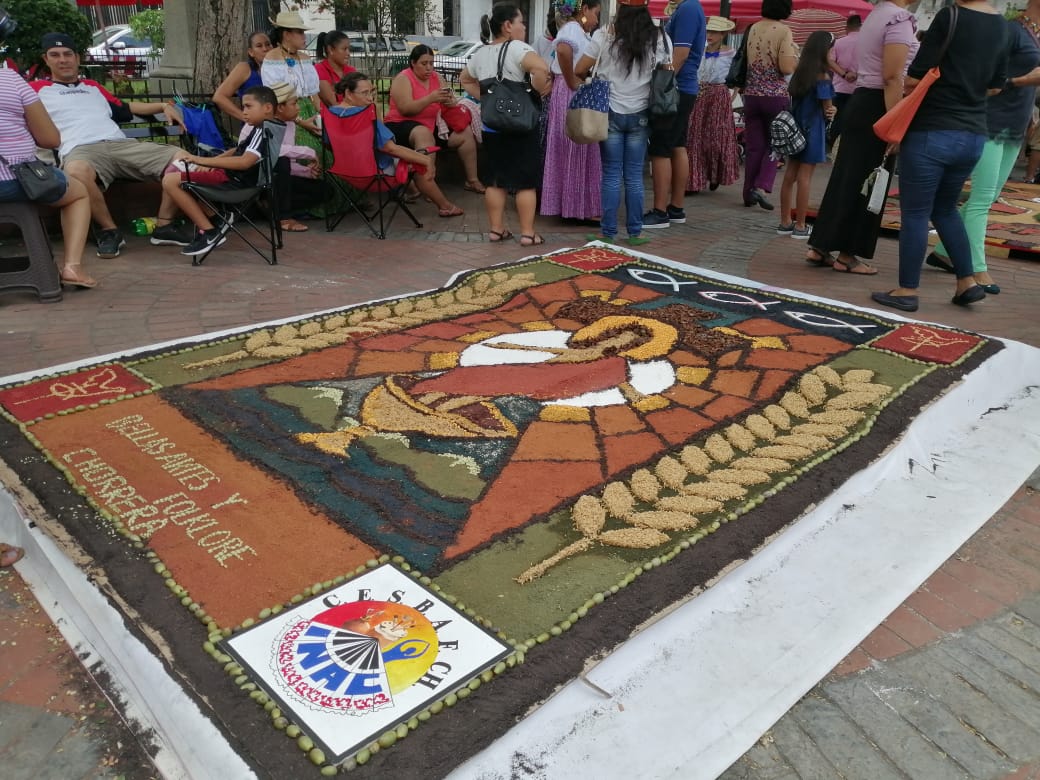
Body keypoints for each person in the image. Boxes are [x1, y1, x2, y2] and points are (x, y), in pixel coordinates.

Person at [871, 0, 1008, 313]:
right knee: (946, 208)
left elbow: (915, 77)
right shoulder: (1002, 25)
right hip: (973, 133)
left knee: (916, 212)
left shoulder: (951, 15)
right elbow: (996, 87)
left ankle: (907, 289)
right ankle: (967, 282)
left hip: (933, 129)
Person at [30, 32, 188, 258]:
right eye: (54, 55)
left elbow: (126, 107)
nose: (62, 60)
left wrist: (163, 105)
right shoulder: (35, 90)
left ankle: (164, 226)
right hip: (80, 149)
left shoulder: (93, 87)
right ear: (46, 60)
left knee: (181, 158)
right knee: (76, 171)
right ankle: (109, 231)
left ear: (77, 57)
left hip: (118, 144)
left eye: (67, 54)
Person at [926, 8, 1040, 294]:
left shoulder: (1034, 35)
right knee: (982, 198)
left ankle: (943, 250)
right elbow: (988, 77)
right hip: (991, 121)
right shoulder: (1013, 31)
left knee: (989, 197)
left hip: (1016, 123)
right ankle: (976, 268)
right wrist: (1022, 81)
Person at [805, 0, 919, 275]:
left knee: (847, 177)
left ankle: (821, 245)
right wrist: (895, 124)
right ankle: (848, 253)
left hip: (863, 99)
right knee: (871, 181)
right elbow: (892, 77)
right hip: (880, 102)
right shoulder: (898, 19)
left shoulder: (876, 15)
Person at [575, 0, 669, 245]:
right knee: (634, 176)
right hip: (642, 113)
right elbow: (668, 70)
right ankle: (635, 232)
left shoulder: (605, 35)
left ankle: (608, 232)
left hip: (610, 112)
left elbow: (580, 68)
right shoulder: (659, 37)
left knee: (611, 174)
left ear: (621, 10)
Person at [460, 3, 552, 246]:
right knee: (525, 182)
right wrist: (536, 91)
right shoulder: (518, 48)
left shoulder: (481, 53)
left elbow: (465, 78)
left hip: (493, 125)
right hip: (521, 124)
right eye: (521, 22)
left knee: (495, 180)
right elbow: (541, 67)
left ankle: (496, 229)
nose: (523, 26)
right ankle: (527, 233)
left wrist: (487, 99)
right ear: (508, 26)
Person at [0, 55, 95, 288]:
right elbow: (50, 139)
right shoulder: (11, 81)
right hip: (14, 180)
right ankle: (73, 267)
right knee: (79, 193)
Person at [160, 86, 279, 257]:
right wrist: (213, 164)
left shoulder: (263, 130)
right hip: (231, 176)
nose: (243, 111)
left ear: (267, 108)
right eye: (243, 107)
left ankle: (209, 232)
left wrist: (202, 160)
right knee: (178, 169)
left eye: (248, 106)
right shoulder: (263, 126)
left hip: (234, 182)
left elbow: (245, 162)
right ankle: (219, 217)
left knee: (170, 181)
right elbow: (238, 150)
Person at [384, 44, 482, 216]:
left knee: (464, 133)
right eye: (424, 63)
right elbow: (406, 109)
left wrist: (450, 101)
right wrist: (430, 98)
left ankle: (472, 180)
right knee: (424, 134)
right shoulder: (403, 78)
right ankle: (429, 185)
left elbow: (448, 100)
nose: (429, 67)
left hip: (432, 124)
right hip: (402, 125)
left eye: (431, 62)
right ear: (413, 63)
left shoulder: (437, 77)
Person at [540, 0, 603, 222]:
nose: (596, 20)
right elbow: (563, 50)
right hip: (570, 93)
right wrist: (570, 80)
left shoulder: (577, 30)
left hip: (571, 92)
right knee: (575, 145)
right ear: (584, 10)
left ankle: (575, 206)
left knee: (577, 146)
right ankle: (576, 208)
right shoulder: (572, 29)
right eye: (596, 14)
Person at [643, 0, 704, 228]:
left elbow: (681, 53)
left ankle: (660, 211)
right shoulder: (690, 8)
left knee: (661, 148)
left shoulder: (688, 8)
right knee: (677, 145)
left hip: (676, 88)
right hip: (684, 87)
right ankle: (675, 207)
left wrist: (664, 84)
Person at [738, 0, 797, 212]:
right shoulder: (783, 30)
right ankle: (762, 187)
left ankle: (747, 192)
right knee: (776, 144)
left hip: (751, 94)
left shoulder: (753, 28)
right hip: (774, 96)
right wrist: (796, 58)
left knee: (755, 146)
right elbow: (786, 66)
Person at [777, 31, 836, 240]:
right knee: (805, 178)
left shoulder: (799, 71)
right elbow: (827, 108)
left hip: (795, 128)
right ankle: (801, 226)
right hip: (813, 129)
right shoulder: (823, 75)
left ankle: (785, 222)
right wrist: (833, 110)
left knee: (790, 176)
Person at [330, 72, 442, 181]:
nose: (370, 99)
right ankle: (442, 200)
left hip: (343, 171)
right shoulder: (365, 120)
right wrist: (426, 160)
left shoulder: (330, 115)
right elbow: (391, 149)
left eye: (371, 93)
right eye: (365, 93)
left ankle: (410, 192)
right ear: (349, 94)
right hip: (374, 173)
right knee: (417, 165)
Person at [254, 81, 323, 232]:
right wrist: (309, 152)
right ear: (279, 107)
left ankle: (268, 207)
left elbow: (289, 161)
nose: (298, 107)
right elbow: (275, 151)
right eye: (294, 103)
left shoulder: (290, 124)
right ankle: (282, 217)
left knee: (324, 190)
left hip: (278, 177)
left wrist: (306, 171)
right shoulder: (260, 122)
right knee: (282, 160)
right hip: (257, 175)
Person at [685, 15, 740, 195]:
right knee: (695, 136)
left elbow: (737, 75)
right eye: (709, 31)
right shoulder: (699, 50)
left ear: (723, 34)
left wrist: (733, 94)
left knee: (716, 138)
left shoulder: (731, 53)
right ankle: (694, 180)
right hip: (699, 93)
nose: (710, 35)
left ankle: (716, 174)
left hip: (718, 95)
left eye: (715, 32)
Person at [262, 12, 321, 154]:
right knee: (305, 153)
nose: (304, 36)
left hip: (311, 113)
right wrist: (300, 121)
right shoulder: (272, 59)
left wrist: (320, 116)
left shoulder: (305, 58)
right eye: (299, 32)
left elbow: (314, 94)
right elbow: (277, 98)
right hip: (287, 115)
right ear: (287, 35)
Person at [212, 31, 273, 124]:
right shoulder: (245, 68)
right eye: (259, 46)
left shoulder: (278, 69)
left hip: (276, 126)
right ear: (251, 52)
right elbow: (219, 97)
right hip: (254, 128)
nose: (265, 49)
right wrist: (244, 117)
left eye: (268, 44)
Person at [827, 15, 861, 145]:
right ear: (860, 27)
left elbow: (830, 61)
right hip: (858, 87)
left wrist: (844, 74)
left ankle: (830, 143)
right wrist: (856, 74)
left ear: (847, 27)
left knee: (835, 117)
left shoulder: (838, 42)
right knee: (851, 118)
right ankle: (843, 144)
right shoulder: (867, 43)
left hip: (838, 87)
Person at [314, 30, 357, 108]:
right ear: (330, 49)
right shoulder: (319, 69)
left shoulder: (351, 71)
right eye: (344, 49)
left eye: (349, 49)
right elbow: (332, 103)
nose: (348, 53)